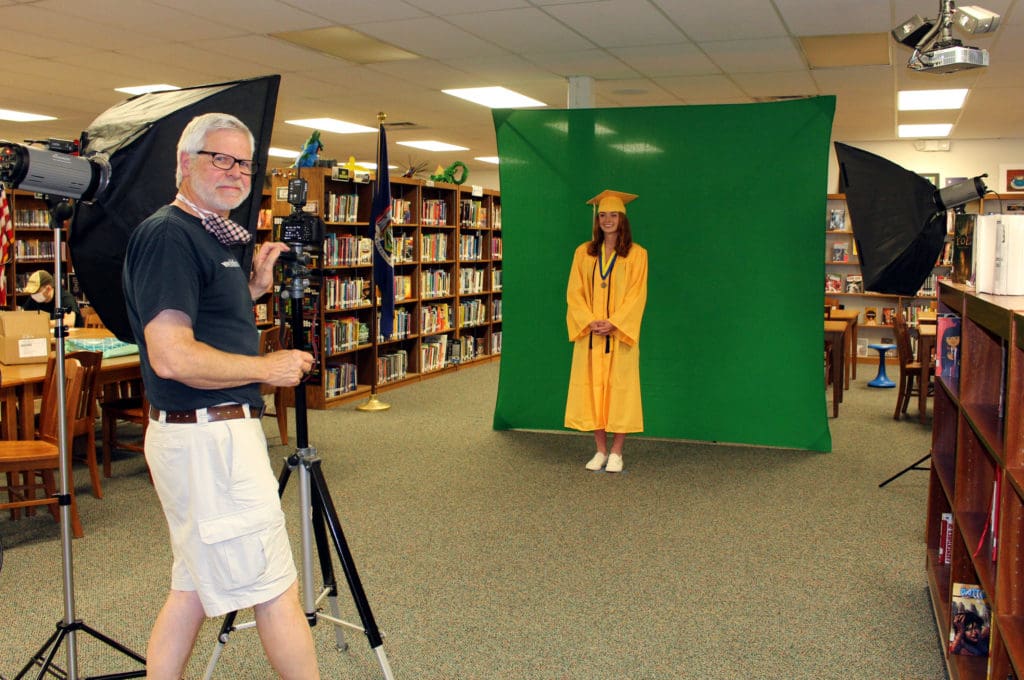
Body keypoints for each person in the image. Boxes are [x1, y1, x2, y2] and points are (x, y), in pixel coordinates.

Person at [122, 112, 320, 680]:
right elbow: (172, 355)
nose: (235, 172)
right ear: (185, 164)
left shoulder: (210, 233)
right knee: (273, 582)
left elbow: (201, 324)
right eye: (220, 159)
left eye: (244, 162)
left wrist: (252, 290)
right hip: (209, 438)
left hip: (208, 433)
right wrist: (266, 367)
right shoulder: (169, 236)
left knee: (190, 587)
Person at [565, 189, 648, 473]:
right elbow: (574, 293)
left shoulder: (637, 255)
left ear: (622, 219)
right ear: (597, 220)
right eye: (603, 215)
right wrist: (589, 320)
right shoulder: (583, 252)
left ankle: (617, 452)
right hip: (590, 336)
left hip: (619, 336)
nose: (608, 220)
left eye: (614, 215)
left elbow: (637, 295)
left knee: (620, 392)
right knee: (592, 391)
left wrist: (614, 322)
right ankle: (600, 450)